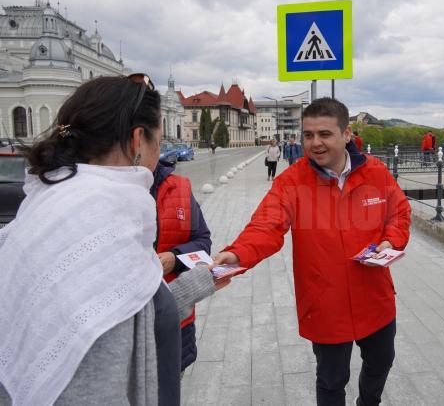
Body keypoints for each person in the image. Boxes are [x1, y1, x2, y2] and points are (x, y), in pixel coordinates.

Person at [0, 75, 227, 405]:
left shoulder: (53, 207)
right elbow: (95, 376)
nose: (157, 156)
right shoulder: (101, 225)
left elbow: (133, 318)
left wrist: (203, 281)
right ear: (137, 141)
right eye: (157, 142)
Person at [215, 97, 411, 406]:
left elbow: (398, 213)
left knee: (381, 362)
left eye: (324, 134)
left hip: (375, 296)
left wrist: (391, 241)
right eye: (308, 135)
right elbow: (266, 225)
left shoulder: (376, 172)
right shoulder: (292, 182)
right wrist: (237, 254)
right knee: (332, 380)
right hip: (324, 301)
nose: (315, 143)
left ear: (347, 134)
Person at [151, 159, 212, 373]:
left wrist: (175, 258)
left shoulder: (180, 187)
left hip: (175, 319)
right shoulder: (105, 191)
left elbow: (204, 244)